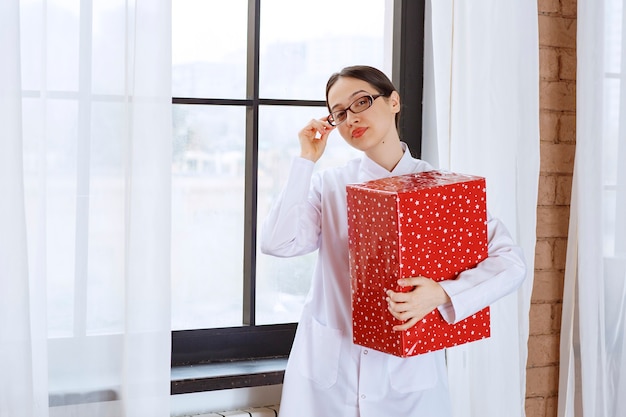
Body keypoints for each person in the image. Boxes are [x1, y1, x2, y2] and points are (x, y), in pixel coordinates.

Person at [260, 65, 526, 417]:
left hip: (408, 387)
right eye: (339, 113)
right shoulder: (330, 186)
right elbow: (278, 242)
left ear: (394, 101)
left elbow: (511, 263)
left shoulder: (441, 188)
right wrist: (306, 159)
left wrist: (442, 293)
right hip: (328, 383)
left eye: (362, 102)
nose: (352, 117)